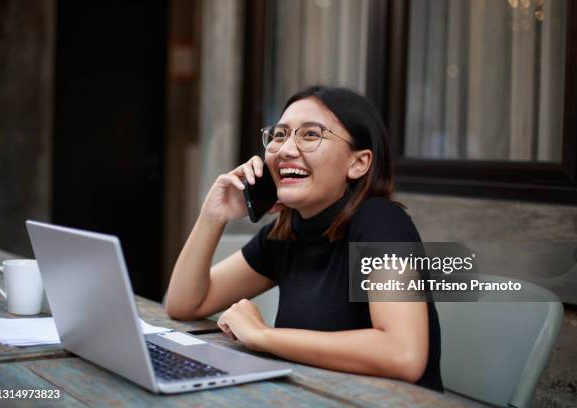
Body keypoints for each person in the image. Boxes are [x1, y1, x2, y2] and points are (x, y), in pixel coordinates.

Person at [165, 85, 443, 392]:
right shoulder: (288, 231)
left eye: (310, 135)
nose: (285, 149)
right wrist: (212, 216)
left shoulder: (381, 221)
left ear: (358, 163)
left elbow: (404, 354)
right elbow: (184, 304)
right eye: (280, 135)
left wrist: (262, 335)